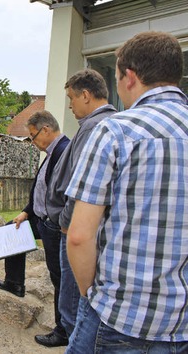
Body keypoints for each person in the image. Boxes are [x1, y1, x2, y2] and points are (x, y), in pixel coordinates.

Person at [66, 31, 188, 353]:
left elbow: (79, 236)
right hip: (181, 325)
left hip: (117, 317)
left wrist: (90, 296)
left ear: (129, 77)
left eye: (118, 76)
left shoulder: (115, 131)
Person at [45, 69, 116, 339]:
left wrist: (66, 223)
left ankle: (74, 341)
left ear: (85, 95)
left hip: (75, 228)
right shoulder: (102, 124)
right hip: (78, 225)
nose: (70, 105)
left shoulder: (95, 128)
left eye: (71, 98)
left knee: (74, 299)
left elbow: (82, 184)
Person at [0, 110, 70, 347]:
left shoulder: (64, 151)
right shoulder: (51, 152)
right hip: (38, 217)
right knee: (11, 229)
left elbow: (62, 194)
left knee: (58, 277)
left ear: (46, 129)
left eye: (33, 136)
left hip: (53, 224)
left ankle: (63, 330)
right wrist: (26, 211)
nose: (32, 141)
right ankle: (15, 283)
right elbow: (41, 188)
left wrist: (57, 224)